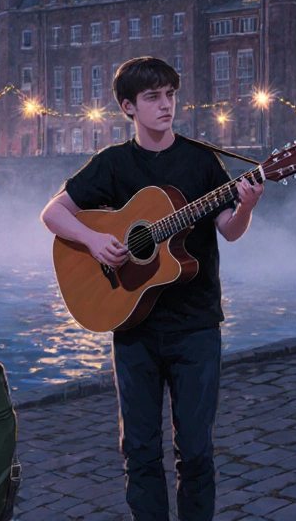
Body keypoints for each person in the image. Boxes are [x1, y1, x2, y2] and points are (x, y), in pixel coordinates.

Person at [40, 56, 263, 521]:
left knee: (196, 451)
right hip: (133, 326)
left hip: (197, 325)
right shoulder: (114, 164)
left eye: (170, 95)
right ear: (128, 107)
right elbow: (53, 214)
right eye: (153, 97)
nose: (166, 105)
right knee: (139, 451)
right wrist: (95, 239)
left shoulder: (202, 160)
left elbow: (229, 230)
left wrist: (246, 206)